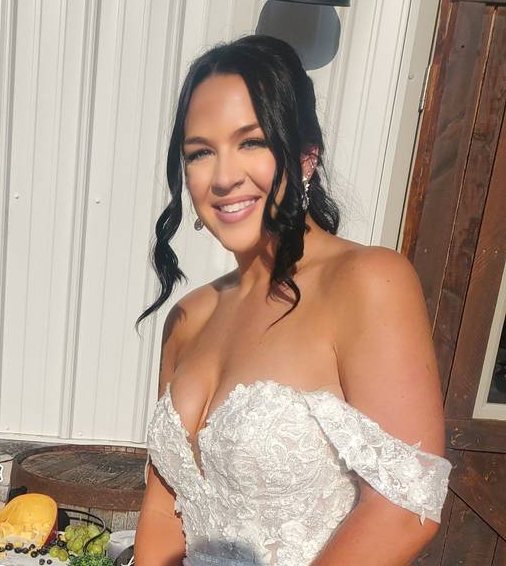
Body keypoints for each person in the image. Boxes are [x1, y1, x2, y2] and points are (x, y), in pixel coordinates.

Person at [133, 36, 451, 566]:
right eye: (200, 152)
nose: (224, 176)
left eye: (251, 142)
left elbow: (404, 508)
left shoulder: (368, 281)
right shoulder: (187, 318)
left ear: (306, 155)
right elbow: (163, 509)